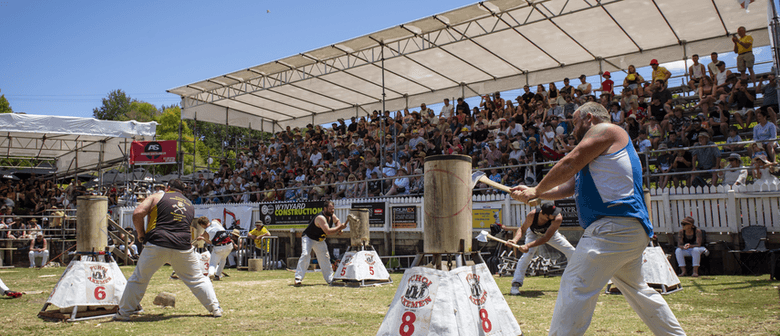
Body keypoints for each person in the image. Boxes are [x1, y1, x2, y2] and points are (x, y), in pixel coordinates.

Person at [511, 102, 685, 335]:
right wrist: (537, 192)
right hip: (626, 228)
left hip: (613, 226)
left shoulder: (606, 130)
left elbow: (569, 162)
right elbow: (568, 187)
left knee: (575, 284)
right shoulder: (599, 152)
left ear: (589, 118)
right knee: (638, 291)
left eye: (574, 123)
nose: (572, 131)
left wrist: (536, 191)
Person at [115, 179, 222, 320]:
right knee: (198, 279)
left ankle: (124, 313)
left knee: (139, 279)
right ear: (182, 191)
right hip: (182, 246)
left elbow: (137, 213)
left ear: (168, 188)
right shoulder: (189, 204)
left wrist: (141, 234)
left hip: (158, 242)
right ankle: (215, 308)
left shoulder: (157, 196)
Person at [506, 201, 575, 295]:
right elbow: (522, 229)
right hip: (533, 234)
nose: (556, 214)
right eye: (553, 214)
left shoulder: (558, 218)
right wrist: (514, 240)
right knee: (527, 255)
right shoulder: (532, 215)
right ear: (545, 214)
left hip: (550, 235)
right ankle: (515, 284)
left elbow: (545, 238)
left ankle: (572, 282)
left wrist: (528, 245)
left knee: (572, 252)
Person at [294, 201, 347, 286]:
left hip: (320, 240)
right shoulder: (320, 218)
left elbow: (337, 221)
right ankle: (298, 278)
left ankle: (330, 279)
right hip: (308, 238)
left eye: (333, 209)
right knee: (306, 254)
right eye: (330, 209)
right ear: (325, 209)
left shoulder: (331, 216)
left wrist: (339, 227)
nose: (332, 211)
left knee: (325, 258)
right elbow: (328, 231)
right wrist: (339, 228)